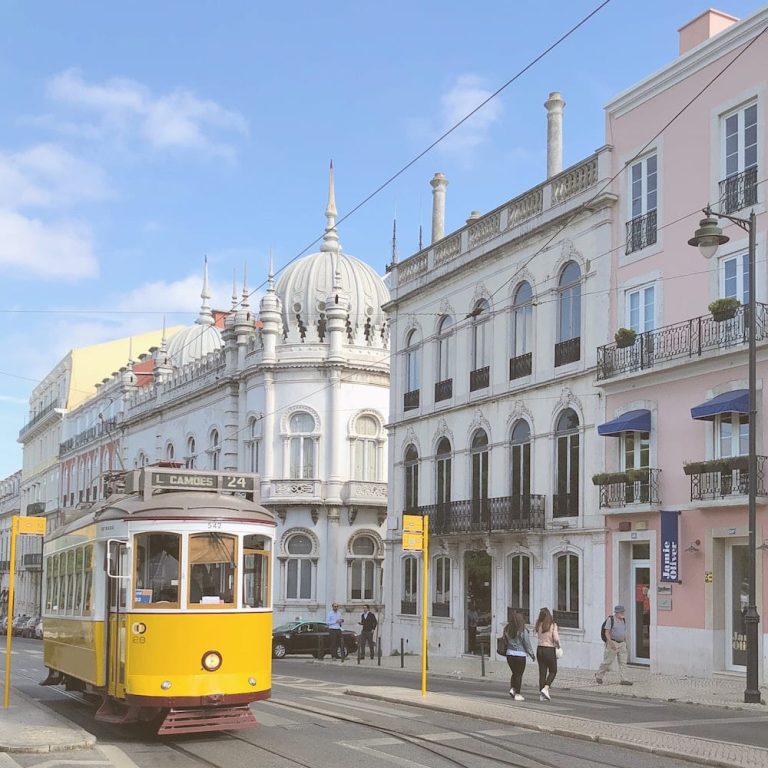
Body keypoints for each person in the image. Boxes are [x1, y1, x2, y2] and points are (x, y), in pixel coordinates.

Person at [596, 604, 633, 685]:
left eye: (623, 612)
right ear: (616, 613)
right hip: (613, 643)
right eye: (621, 612)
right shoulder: (611, 619)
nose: (623, 613)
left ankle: (624, 679)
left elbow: (623, 632)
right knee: (607, 661)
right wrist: (610, 642)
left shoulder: (623, 620)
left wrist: (625, 642)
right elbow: (607, 632)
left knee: (623, 663)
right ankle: (599, 675)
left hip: (622, 643)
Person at [504, 611, 535, 701]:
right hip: (520, 655)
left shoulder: (507, 629)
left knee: (514, 673)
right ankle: (517, 693)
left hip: (509, 654)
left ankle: (513, 689)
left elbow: (505, 640)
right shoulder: (522, 630)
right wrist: (531, 654)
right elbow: (527, 643)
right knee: (519, 675)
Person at [534, 607, 560, 701]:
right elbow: (556, 638)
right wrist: (558, 646)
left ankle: (542, 695)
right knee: (553, 670)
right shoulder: (552, 625)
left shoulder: (539, 625)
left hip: (539, 649)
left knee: (542, 673)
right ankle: (546, 688)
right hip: (549, 649)